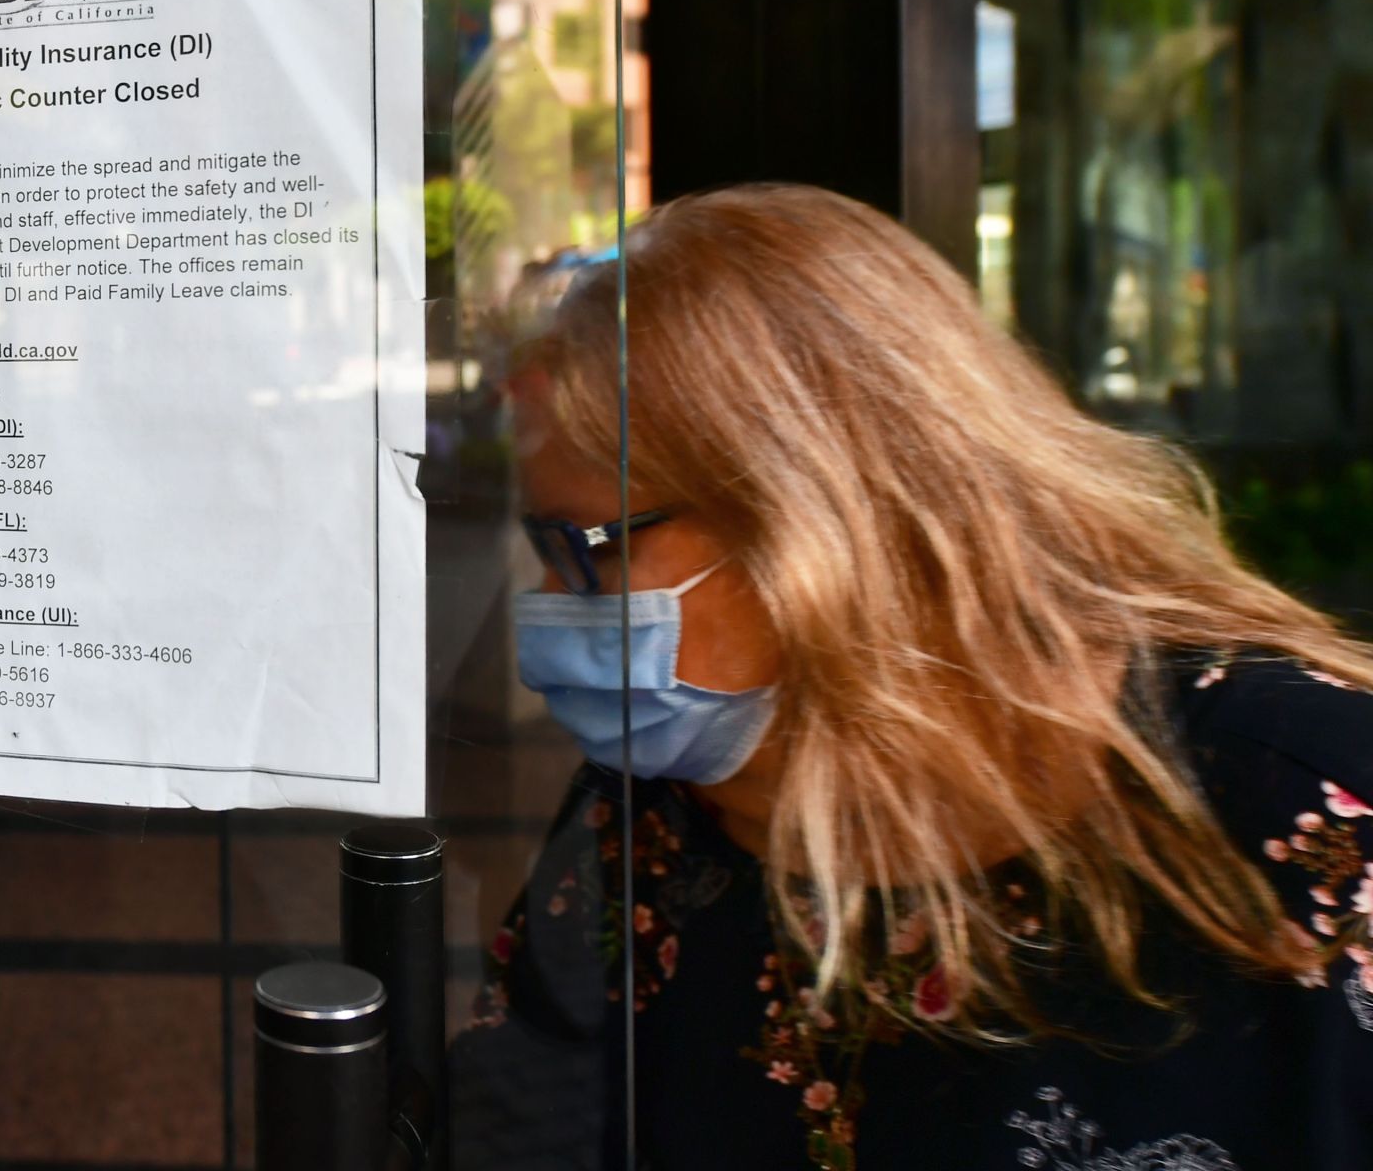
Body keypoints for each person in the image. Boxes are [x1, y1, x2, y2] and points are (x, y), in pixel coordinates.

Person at [455, 183, 1373, 1170]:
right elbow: (521, 1119)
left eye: (585, 546)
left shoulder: (1304, 808)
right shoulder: (654, 811)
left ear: (822, 517)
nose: (548, 598)